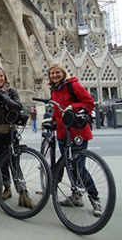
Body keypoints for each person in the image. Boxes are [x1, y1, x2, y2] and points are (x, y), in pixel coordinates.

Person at [41, 62, 101, 217]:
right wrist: (51, 120)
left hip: (78, 132)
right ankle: (76, 195)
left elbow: (89, 102)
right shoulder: (54, 90)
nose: (54, 75)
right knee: (70, 166)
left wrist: (73, 107)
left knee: (79, 168)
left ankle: (95, 199)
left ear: (63, 73)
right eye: (52, 73)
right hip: (62, 134)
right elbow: (58, 109)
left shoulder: (73, 86)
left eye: (57, 73)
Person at [0, 67, 36, 209]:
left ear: (5, 78)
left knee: (14, 161)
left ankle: (23, 192)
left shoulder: (12, 91)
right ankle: (7, 188)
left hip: (10, 131)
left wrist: (5, 99)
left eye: (1, 76)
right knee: (1, 161)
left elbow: (18, 106)